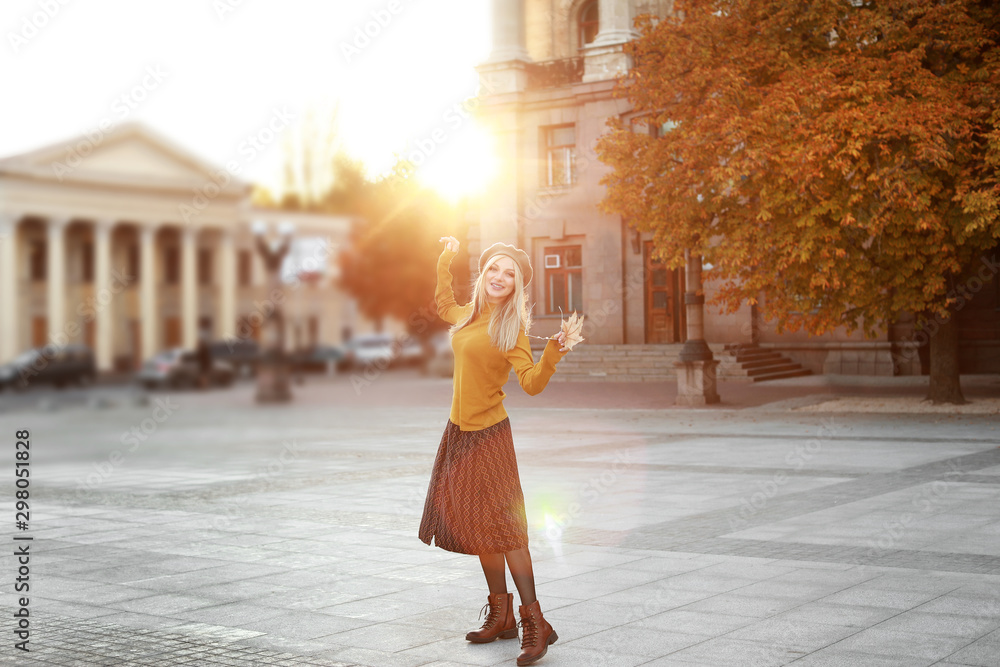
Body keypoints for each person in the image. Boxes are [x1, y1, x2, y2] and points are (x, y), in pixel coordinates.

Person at [419, 236, 572, 666]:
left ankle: (534, 622)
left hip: (490, 436)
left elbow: (532, 383)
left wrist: (554, 352)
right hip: (458, 433)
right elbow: (442, 300)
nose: (500, 277)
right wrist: (445, 256)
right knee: (479, 526)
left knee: (507, 530)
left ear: (517, 284)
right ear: (484, 275)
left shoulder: (511, 329)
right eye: (493, 269)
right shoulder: (467, 316)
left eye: (510, 273)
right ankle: (501, 613)